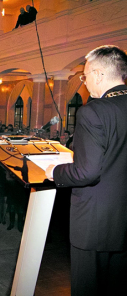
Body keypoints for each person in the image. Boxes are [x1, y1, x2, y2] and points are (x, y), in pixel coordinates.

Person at [45, 45, 127, 296]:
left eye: (85, 75)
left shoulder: (93, 111)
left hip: (94, 221)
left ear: (100, 75)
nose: (84, 81)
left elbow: (87, 172)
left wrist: (54, 172)